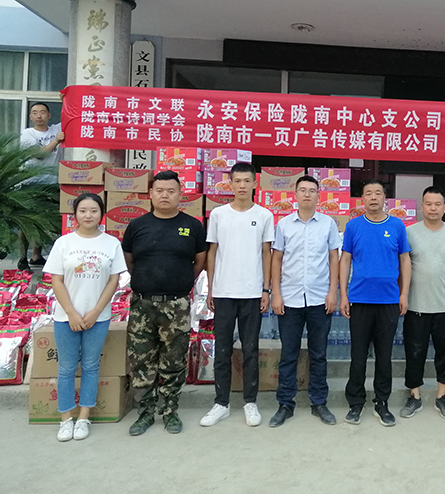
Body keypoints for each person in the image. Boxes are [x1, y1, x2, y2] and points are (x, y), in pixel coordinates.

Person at [123, 170, 207, 436]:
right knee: (142, 361)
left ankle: (170, 411)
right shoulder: (137, 226)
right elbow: (129, 260)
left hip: (176, 305)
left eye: (171, 191)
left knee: (174, 360)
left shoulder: (192, 226)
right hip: (142, 304)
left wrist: (180, 281)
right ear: (151, 194)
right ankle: (145, 413)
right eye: (159, 191)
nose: (165, 195)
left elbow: (200, 261)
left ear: (180, 194)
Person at [44, 193, 126, 442]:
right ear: (75, 215)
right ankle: (65, 419)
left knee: (91, 366)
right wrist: (71, 312)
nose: (88, 215)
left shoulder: (111, 243)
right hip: (65, 317)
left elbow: (113, 281)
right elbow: (56, 280)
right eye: (82, 210)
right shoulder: (63, 243)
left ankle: (83, 418)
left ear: (102, 214)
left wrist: (95, 312)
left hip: (98, 318)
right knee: (67, 368)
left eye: (93, 210)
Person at [200, 162, 274, 428]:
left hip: (252, 292)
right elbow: (212, 252)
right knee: (222, 349)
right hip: (223, 292)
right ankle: (221, 403)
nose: (242, 185)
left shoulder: (264, 215)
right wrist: (211, 287)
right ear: (230, 184)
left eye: (246, 181)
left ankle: (250, 402)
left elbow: (266, 253)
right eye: (237, 181)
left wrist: (265, 289)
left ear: (255, 183)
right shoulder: (219, 215)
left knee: (250, 348)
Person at [268, 175, 340, 427]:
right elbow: (277, 259)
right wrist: (276, 294)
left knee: (319, 354)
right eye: (303, 190)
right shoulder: (284, 225)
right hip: (290, 299)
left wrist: (333, 292)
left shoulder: (328, 224)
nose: (307, 194)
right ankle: (285, 404)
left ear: (319, 196)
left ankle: (319, 403)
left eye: (312, 190)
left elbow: (334, 258)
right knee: (289, 354)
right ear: (295, 195)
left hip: (320, 298)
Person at [340, 179, 411, 427]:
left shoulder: (397, 225)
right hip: (359, 299)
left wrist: (404, 294)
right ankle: (355, 403)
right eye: (368, 193)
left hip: (388, 300)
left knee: (384, 356)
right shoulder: (353, 226)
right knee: (358, 356)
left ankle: (382, 402)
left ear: (384, 198)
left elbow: (405, 260)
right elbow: (345, 260)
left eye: (377, 193)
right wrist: (343, 294)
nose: (373, 197)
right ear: (362, 199)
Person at [399, 186, 445, 420]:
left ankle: (442, 396)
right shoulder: (409, 233)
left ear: (444, 208)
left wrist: (443, 280)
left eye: (438, 204)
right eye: (428, 204)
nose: (433, 208)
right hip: (416, 305)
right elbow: (402, 265)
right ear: (422, 207)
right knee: (414, 352)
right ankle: (414, 396)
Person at [19, 102, 64, 270]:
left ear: (49, 116)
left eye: (43, 112)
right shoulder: (27, 134)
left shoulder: (56, 129)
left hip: (52, 183)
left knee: (46, 220)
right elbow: (38, 155)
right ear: (30, 116)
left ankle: (36, 256)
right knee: (27, 221)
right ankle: (22, 258)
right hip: (31, 183)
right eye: (35, 112)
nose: (39, 115)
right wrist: (57, 140)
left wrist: (67, 98)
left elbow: (73, 114)